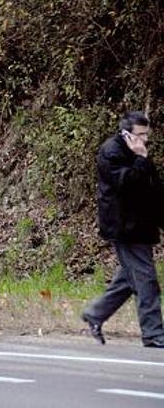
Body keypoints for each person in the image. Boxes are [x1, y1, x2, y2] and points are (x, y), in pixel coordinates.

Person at [82, 111, 164, 348]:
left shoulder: (138, 153)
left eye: (147, 135)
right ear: (126, 133)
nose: (145, 140)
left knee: (129, 279)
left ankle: (95, 314)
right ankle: (153, 333)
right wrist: (140, 158)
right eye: (140, 135)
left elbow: (153, 189)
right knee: (146, 280)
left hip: (141, 226)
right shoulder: (111, 152)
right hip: (125, 227)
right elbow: (128, 184)